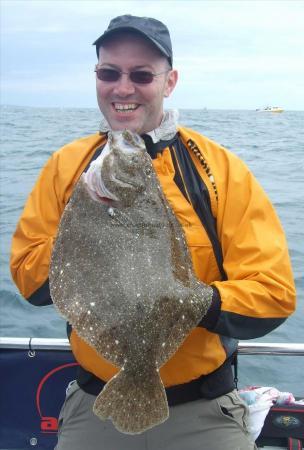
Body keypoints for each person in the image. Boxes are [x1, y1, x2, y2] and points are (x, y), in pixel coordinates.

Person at [10, 14, 296, 450]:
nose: (123, 88)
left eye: (141, 75)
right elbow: (30, 282)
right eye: (109, 73)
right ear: (97, 78)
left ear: (170, 81)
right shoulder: (67, 167)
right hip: (95, 401)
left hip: (204, 412)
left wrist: (191, 300)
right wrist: (85, 230)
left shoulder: (221, 171)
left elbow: (274, 295)